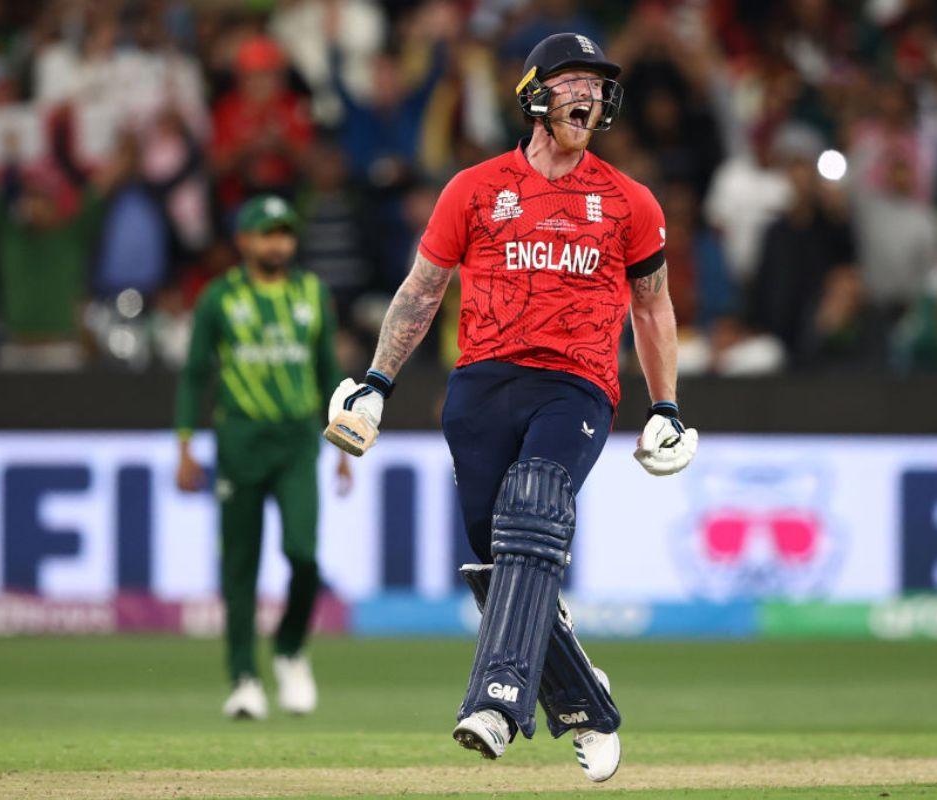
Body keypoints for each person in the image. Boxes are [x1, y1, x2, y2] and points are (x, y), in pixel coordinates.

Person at [323, 33, 698, 782]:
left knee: (533, 507)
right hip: (479, 387)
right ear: (534, 94)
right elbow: (422, 292)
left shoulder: (629, 200)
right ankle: (587, 699)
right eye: (571, 81)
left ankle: (497, 701)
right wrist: (375, 381)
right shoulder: (473, 188)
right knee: (501, 564)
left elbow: (652, 309)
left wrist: (667, 405)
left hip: (577, 384)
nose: (587, 95)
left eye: (597, 83)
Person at [174, 195, 351, 720]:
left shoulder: (312, 293)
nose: (279, 242)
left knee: (304, 556)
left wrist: (342, 445)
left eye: (285, 232)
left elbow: (326, 373)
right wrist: (185, 444)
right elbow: (193, 375)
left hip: (298, 443)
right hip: (240, 443)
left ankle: (291, 650)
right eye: (267, 233)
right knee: (240, 567)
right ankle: (243, 679)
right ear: (244, 240)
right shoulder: (219, 298)